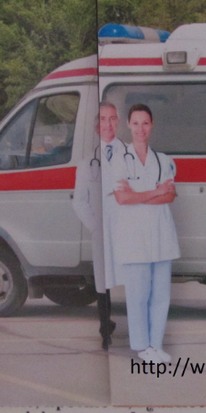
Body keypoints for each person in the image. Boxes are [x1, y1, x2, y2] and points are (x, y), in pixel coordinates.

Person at [109, 104, 179, 364]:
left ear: (152, 125)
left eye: (145, 123)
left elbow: (170, 195)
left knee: (160, 295)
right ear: (128, 125)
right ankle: (141, 347)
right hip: (134, 237)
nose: (141, 129)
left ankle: (156, 344)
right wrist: (155, 191)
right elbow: (122, 199)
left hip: (161, 235)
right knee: (138, 296)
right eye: (136, 123)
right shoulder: (119, 159)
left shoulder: (163, 160)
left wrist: (141, 194)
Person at [72, 102, 124, 350]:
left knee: (135, 279)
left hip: (126, 229)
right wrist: (96, 226)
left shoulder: (131, 157)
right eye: (103, 120)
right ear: (96, 127)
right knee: (103, 281)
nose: (108, 124)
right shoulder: (86, 164)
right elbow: (79, 200)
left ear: (118, 123)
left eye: (112, 119)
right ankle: (105, 329)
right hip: (102, 231)